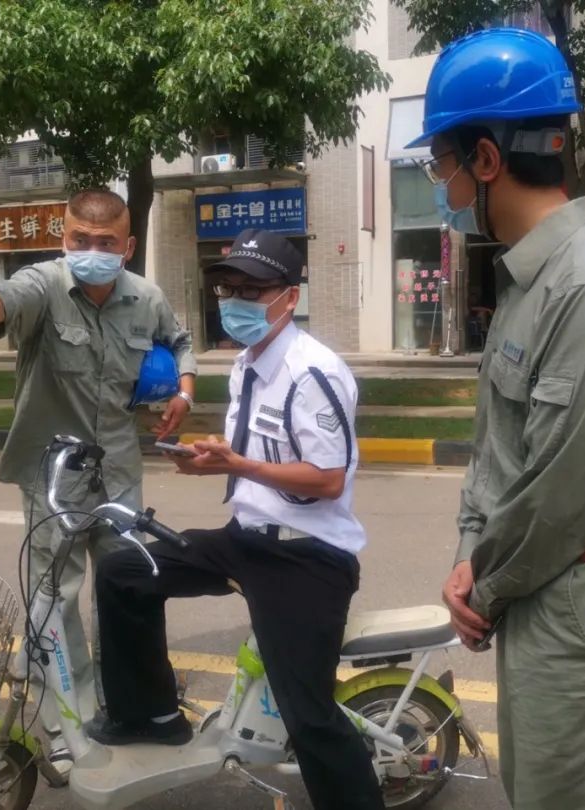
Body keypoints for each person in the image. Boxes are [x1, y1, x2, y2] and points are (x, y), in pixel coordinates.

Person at [407, 29, 585, 809]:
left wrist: (485, 584)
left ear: (486, 159)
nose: (442, 186)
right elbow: (500, 453)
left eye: (441, 164)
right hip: (547, 590)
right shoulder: (532, 283)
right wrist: (472, 556)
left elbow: (566, 484)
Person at [91, 228, 385, 810]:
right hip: (245, 539)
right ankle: (150, 714)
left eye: (253, 290)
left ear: (290, 297)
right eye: (228, 288)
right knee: (123, 572)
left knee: (308, 716)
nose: (235, 301)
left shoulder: (313, 371)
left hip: (305, 557)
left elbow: (327, 478)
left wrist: (239, 463)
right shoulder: (248, 363)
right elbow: (263, 455)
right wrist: (213, 459)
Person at [0, 188, 197, 771]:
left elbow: (179, 342)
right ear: (63, 238)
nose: (91, 251)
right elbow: (3, 297)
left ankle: (127, 706)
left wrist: (184, 393)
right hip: (54, 477)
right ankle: (68, 720)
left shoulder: (146, 298)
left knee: (125, 590)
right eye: (79, 240)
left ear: (127, 247)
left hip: (119, 471)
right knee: (55, 599)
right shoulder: (45, 284)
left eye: (105, 242)